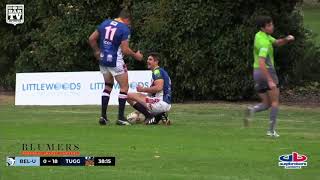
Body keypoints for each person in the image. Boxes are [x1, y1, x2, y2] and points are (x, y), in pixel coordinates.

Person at [88, 9, 143, 125]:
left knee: (108, 86)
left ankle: (103, 116)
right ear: (127, 19)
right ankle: (120, 118)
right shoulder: (124, 28)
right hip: (115, 60)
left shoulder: (105, 23)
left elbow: (91, 39)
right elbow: (125, 49)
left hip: (103, 60)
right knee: (124, 87)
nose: (129, 25)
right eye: (130, 23)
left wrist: (97, 52)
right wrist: (136, 55)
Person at [244, 16, 295, 137]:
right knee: (275, 102)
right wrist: (270, 80)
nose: (272, 27)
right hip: (267, 71)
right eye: (269, 25)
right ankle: (271, 131)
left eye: (272, 24)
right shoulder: (264, 43)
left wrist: (286, 39)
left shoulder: (260, 35)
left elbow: (276, 42)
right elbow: (262, 61)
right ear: (263, 27)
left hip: (256, 73)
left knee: (266, 104)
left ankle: (252, 110)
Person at [127, 53, 172, 125]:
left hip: (160, 103)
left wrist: (142, 89)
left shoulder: (157, 71)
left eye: (150, 59)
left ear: (156, 62)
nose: (147, 61)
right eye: (147, 59)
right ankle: (160, 116)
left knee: (128, 96)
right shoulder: (162, 72)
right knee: (140, 99)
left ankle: (150, 116)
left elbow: (159, 87)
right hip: (164, 103)